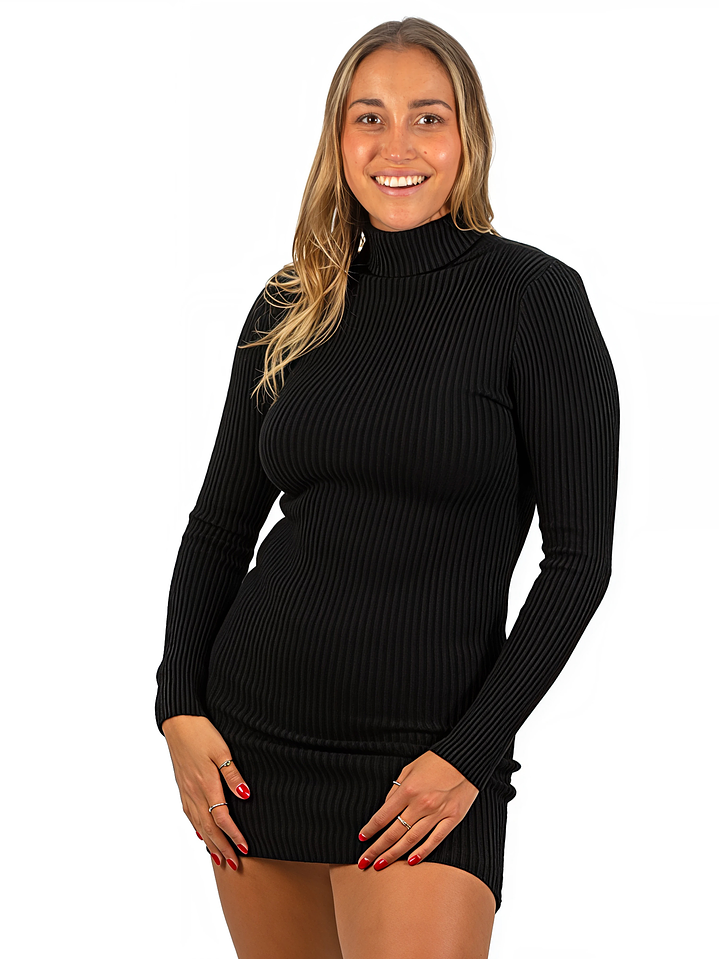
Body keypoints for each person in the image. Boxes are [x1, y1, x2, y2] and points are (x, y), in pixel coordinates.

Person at [155, 16, 620, 959]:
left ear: (467, 137)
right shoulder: (292, 302)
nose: (395, 145)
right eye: (368, 117)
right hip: (253, 751)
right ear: (337, 138)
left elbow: (577, 562)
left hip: (426, 760)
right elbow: (218, 526)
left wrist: (468, 754)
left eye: (426, 117)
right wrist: (178, 708)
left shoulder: (534, 300)